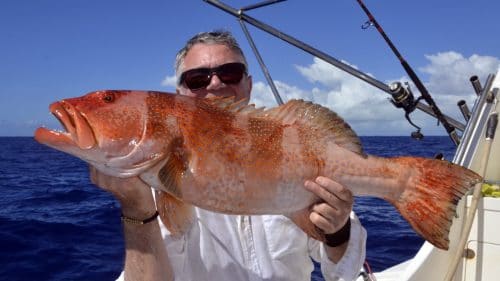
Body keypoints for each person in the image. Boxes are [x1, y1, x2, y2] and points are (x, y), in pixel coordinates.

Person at [91, 30, 367, 281]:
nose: (215, 84)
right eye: (197, 79)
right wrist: (136, 208)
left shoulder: (298, 152)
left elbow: (343, 272)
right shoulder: (154, 182)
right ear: (180, 94)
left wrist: (338, 231)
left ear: (247, 84)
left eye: (230, 73)